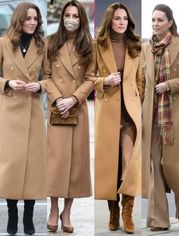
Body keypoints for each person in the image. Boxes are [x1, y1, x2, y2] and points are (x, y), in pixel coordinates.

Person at [93, 2, 144, 234]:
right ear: (109, 20)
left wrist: (138, 101)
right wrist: (103, 82)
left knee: (129, 163)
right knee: (110, 166)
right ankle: (113, 212)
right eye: (117, 18)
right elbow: (88, 77)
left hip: (130, 115)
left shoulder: (136, 45)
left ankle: (128, 212)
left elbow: (141, 79)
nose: (122, 22)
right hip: (107, 113)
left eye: (125, 18)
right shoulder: (98, 45)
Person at [44, 0, 94, 233]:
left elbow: (91, 78)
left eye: (75, 15)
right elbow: (46, 76)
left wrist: (73, 99)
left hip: (77, 108)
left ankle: (67, 213)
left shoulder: (88, 46)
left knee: (75, 164)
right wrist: (57, 99)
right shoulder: (51, 42)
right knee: (56, 162)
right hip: (57, 110)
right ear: (62, 17)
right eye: (67, 15)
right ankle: (54, 210)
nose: (71, 19)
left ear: (81, 18)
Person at [0, 2, 47, 235]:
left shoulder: (42, 45)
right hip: (9, 113)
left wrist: (39, 85)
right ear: (18, 19)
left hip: (33, 111)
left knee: (33, 167)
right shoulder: (2, 44)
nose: (32, 22)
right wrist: (7, 83)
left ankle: (28, 216)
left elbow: (51, 78)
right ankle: (12, 214)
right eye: (27, 18)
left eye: (35, 19)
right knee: (12, 166)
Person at [142, 4, 179, 231]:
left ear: (170, 22)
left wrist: (168, 85)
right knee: (155, 169)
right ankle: (159, 220)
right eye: (153, 20)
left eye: (160, 20)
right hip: (152, 117)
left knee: (172, 164)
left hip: (175, 115)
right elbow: (142, 82)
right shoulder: (146, 49)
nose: (155, 24)